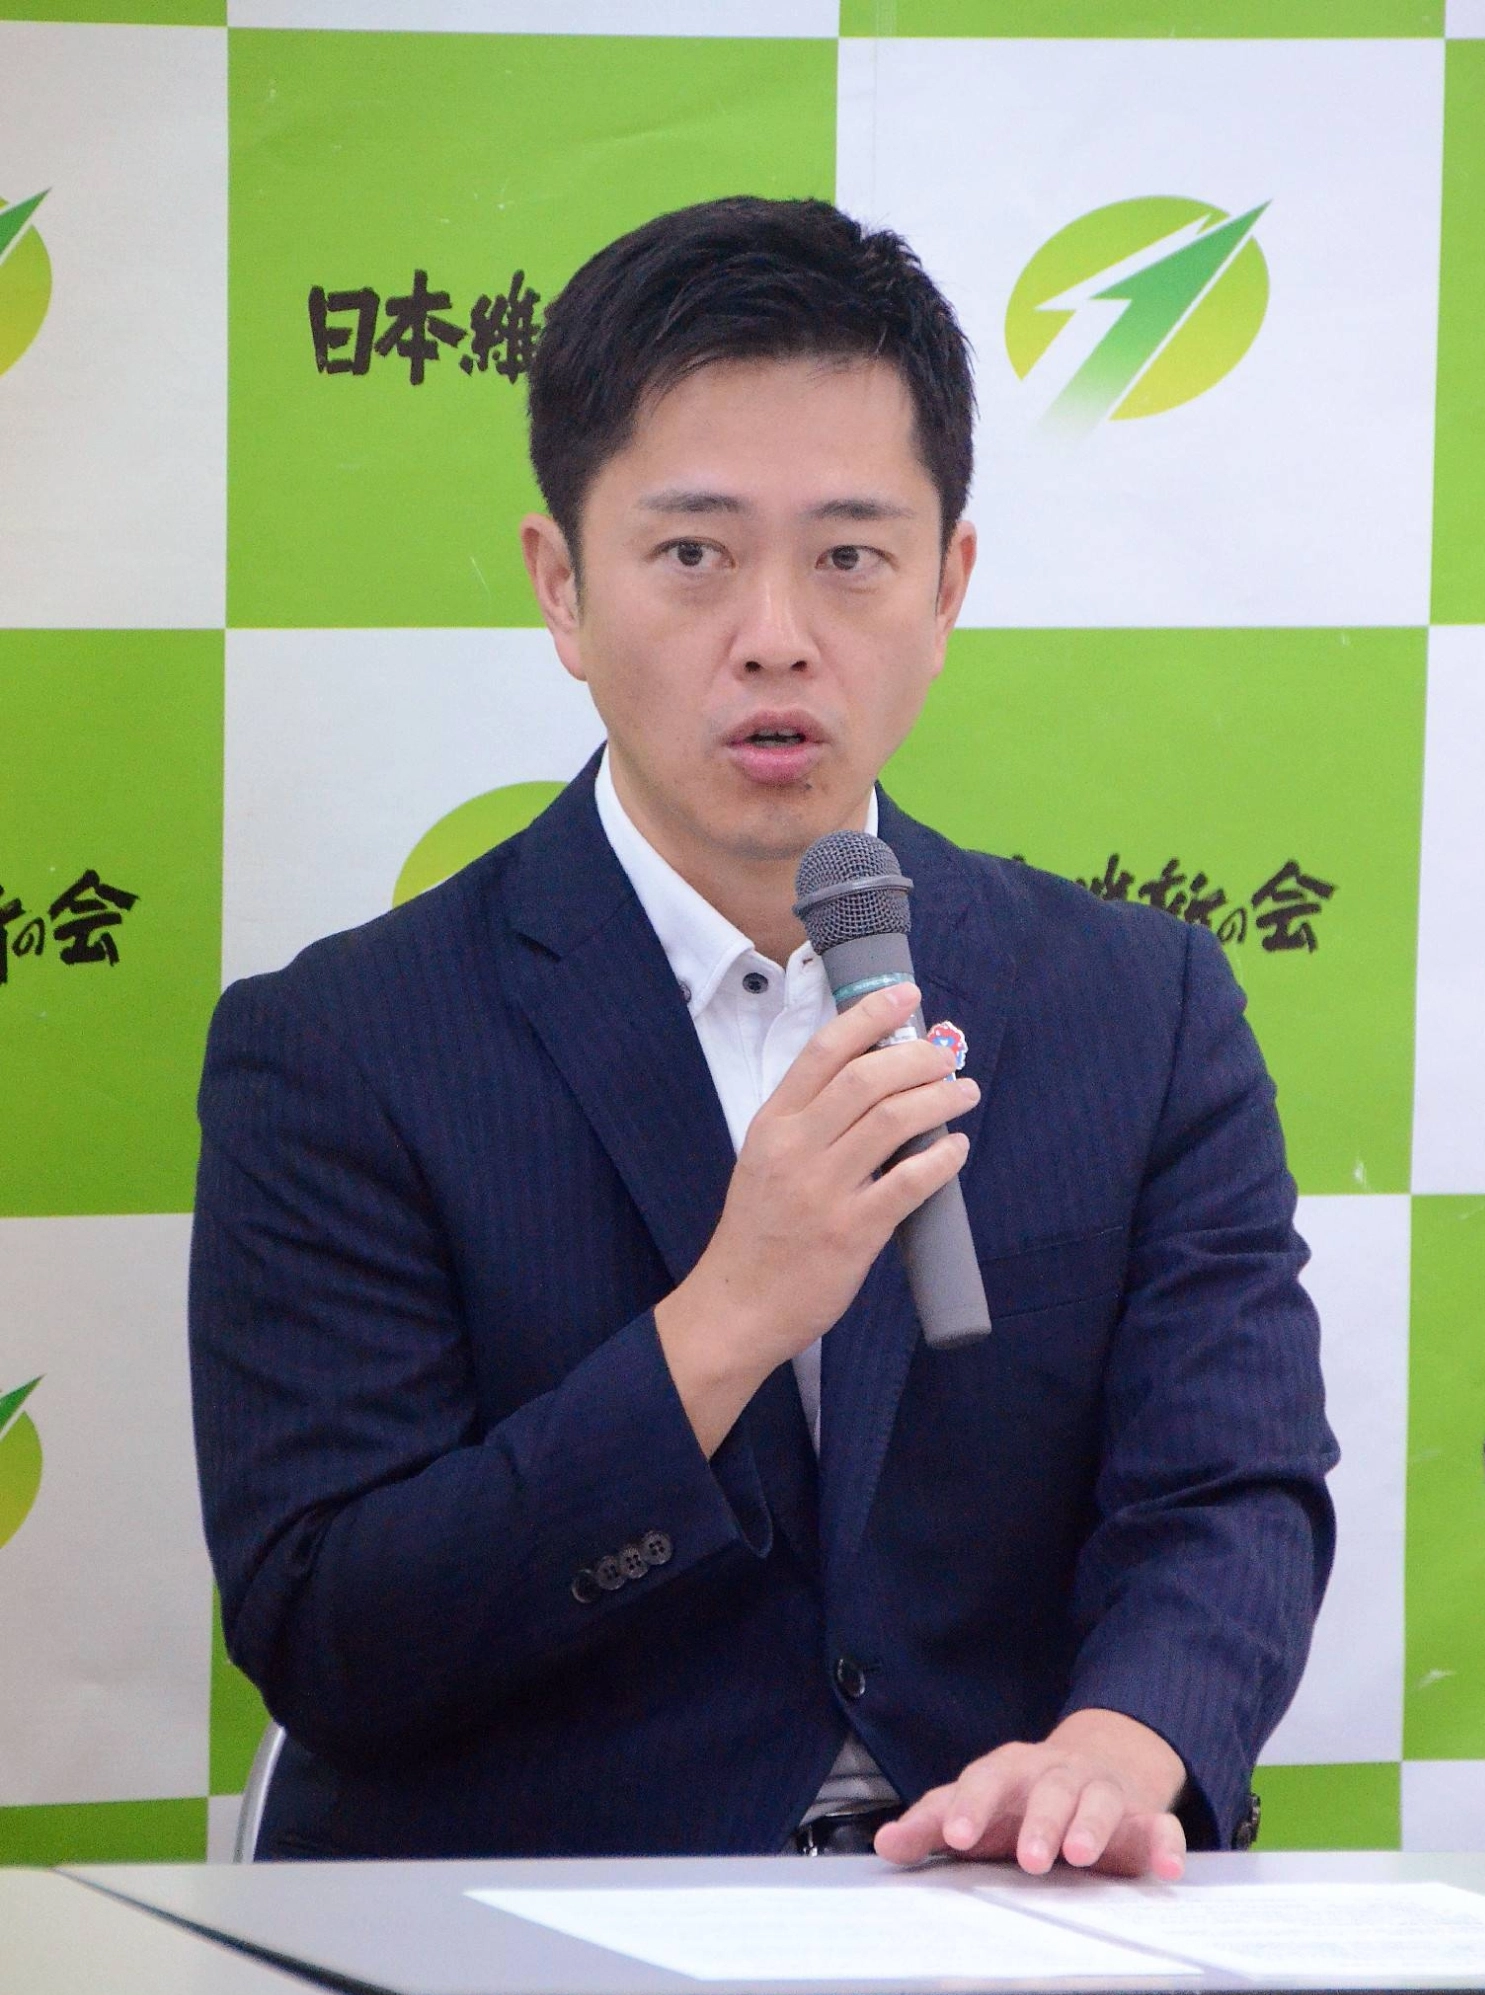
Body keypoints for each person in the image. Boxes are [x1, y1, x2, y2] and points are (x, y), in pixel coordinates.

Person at [190, 196, 1336, 1872]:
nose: (777, 633)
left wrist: (1118, 1745)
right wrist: (725, 1320)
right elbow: (334, 1628)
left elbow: (1232, 1491)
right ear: (562, 588)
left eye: (852, 555)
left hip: (1008, 1907)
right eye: (693, 553)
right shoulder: (341, 1046)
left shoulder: (1139, 1007)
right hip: (542, 1918)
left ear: (947, 587)